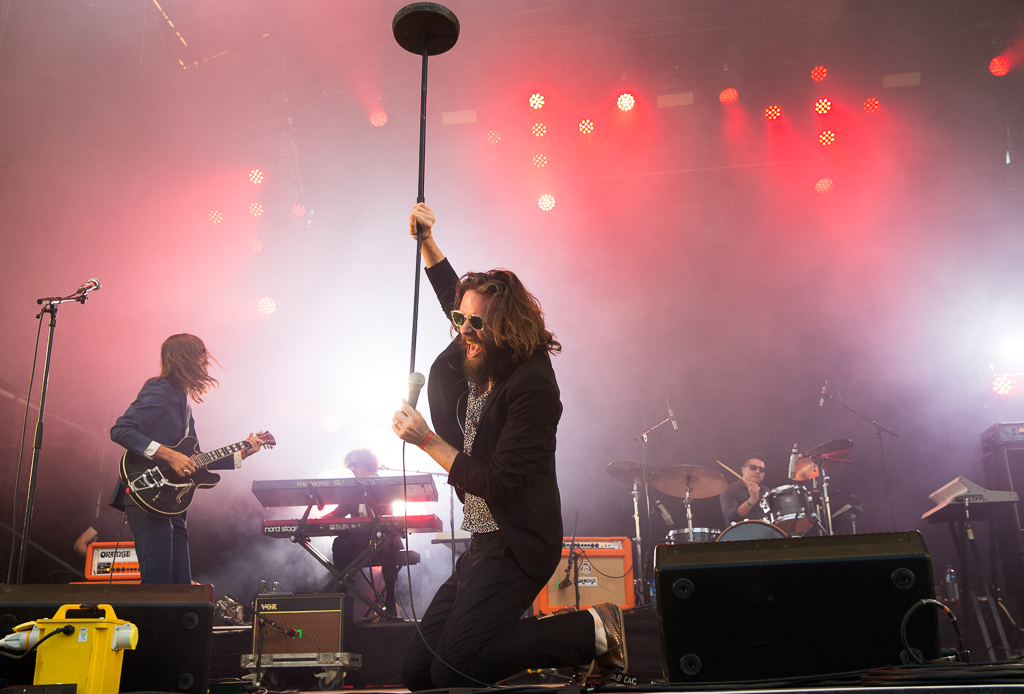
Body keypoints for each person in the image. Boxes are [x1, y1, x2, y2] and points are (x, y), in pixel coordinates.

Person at [391, 203, 625, 690]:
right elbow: (453, 298)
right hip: (482, 542)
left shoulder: (533, 384)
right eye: (461, 320)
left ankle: (593, 629)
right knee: (419, 672)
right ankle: (517, 639)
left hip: (519, 542)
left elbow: (500, 483)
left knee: (455, 667)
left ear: (506, 327)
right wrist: (427, 243)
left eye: (477, 325)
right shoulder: (474, 343)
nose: (464, 332)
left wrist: (427, 441)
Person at [108, 334, 263, 584]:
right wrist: (168, 454)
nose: (206, 359)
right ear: (186, 357)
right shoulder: (161, 388)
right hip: (148, 490)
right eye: (201, 352)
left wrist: (242, 452)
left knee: (181, 583)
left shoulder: (183, 401)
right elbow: (121, 430)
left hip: (171, 501)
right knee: (157, 583)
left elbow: (196, 460)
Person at [328, 449, 404, 617]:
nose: (352, 469)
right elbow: (339, 512)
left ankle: (390, 601)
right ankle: (343, 596)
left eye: (355, 464)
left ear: (367, 464)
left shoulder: (384, 485)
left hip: (381, 538)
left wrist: (366, 495)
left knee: (388, 541)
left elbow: (385, 512)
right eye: (350, 466)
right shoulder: (351, 488)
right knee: (339, 543)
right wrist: (315, 521)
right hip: (357, 542)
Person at [719, 456, 769, 526]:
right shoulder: (729, 489)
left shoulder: (767, 491)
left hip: (764, 533)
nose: (758, 471)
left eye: (762, 469)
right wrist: (752, 499)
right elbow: (731, 517)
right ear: (743, 470)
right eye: (753, 467)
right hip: (738, 534)